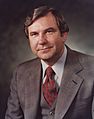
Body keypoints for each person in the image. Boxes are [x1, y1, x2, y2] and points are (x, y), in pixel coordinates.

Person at [5, 5, 94, 119]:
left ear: (64, 35)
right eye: (34, 34)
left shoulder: (92, 68)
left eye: (49, 31)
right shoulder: (21, 73)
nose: (41, 41)